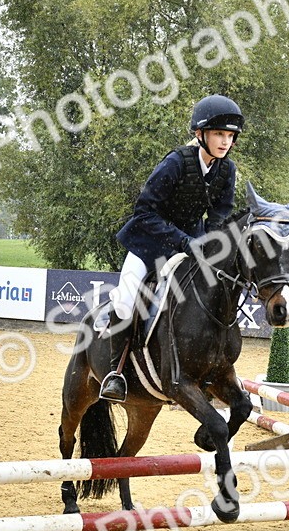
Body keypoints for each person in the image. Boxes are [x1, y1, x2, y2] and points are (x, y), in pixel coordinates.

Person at [98, 94, 242, 402]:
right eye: (219, 134)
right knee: (125, 300)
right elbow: (144, 212)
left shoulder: (226, 170)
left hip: (192, 246)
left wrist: (211, 243)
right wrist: (184, 241)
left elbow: (219, 214)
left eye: (230, 136)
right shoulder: (175, 163)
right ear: (200, 134)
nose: (225, 142)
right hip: (150, 244)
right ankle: (116, 373)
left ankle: (206, 369)